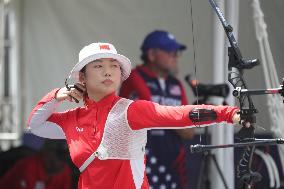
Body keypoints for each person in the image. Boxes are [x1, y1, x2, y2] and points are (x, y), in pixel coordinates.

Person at [27, 42, 245, 189]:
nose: (108, 71)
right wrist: (56, 95)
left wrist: (230, 113)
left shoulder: (130, 110)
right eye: (98, 65)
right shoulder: (71, 119)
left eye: (114, 66)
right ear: (81, 78)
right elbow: (35, 124)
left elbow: (178, 114)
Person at [120, 30, 194, 189]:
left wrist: (166, 117)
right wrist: (176, 118)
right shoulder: (134, 77)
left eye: (177, 52)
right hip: (143, 163)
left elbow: (189, 132)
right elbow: (150, 113)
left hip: (173, 165)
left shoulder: (176, 84)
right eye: (170, 51)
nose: (176, 56)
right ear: (152, 55)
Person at [0, 139, 71, 189]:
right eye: (60, 157)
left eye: (65, 158)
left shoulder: (64, 171)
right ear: (48, 154)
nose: (63, 163)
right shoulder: (28, 167)